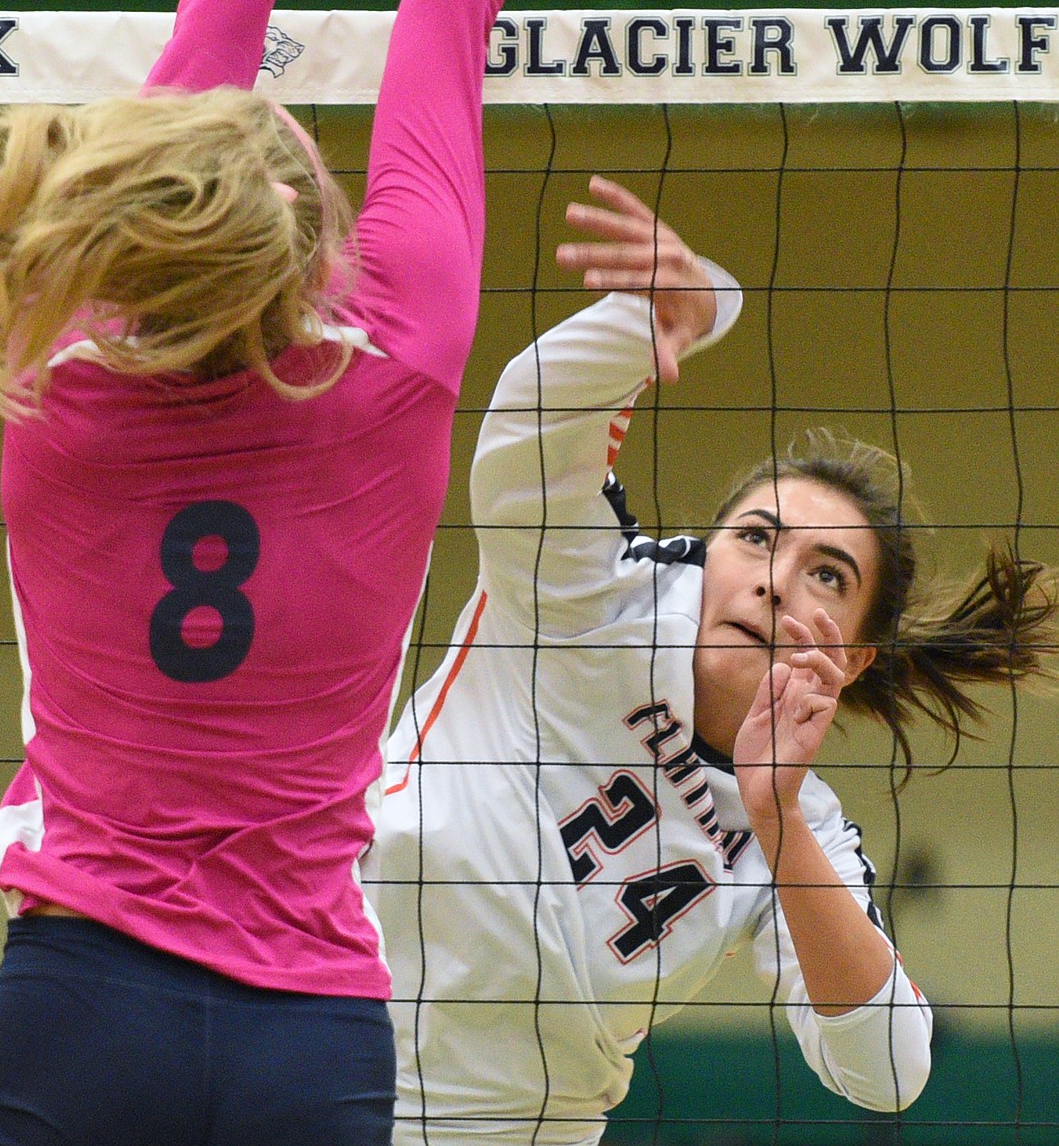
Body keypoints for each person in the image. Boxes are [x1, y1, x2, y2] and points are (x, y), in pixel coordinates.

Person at [0, 0, 691, 1146]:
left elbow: (221, 45)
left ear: (130, 243)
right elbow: (444, 23)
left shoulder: (56, 381)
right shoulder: (398, 355)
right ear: (311, 229)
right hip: (316, 1027)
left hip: (77, 1005)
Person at [367, 175, 1059, 1146]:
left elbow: (889, 1070)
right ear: (710, 551)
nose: (775, 581)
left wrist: (775, 819)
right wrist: (657, 322)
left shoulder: (800, 825)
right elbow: (527, 439)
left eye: (826, 571)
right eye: (756, 537)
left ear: (854, 653)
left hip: (521, 1125)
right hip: (321, 1032)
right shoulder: (596, 594)